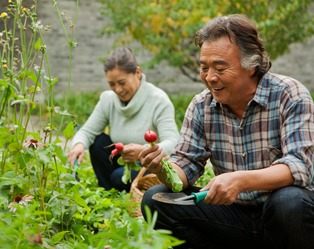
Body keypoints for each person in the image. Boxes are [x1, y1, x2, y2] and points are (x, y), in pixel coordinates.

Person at [139, 14, 314, 249]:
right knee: (157, 199)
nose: (210, 77)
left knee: (288, 201)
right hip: (233, 217)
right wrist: (162, 168)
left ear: (251, 66)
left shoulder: (289, 95)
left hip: (282, 216)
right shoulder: (201, 106)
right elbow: (185, 168)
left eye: (220, 68)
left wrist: (241, 180)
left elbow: (299, 166)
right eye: (204, 67)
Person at [68, 47, 179, 192]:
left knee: (118, 176)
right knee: (98, 141)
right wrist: (78, 145)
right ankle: (109, 194)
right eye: (112, 84)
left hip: (150, 166)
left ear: (137, 73)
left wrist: (144, 151)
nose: (118, 89)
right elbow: (87, 131)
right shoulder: (108, 100)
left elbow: (173, 142)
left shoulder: (158, 101)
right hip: (122, 163)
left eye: (122, 82)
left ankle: (120, 192)